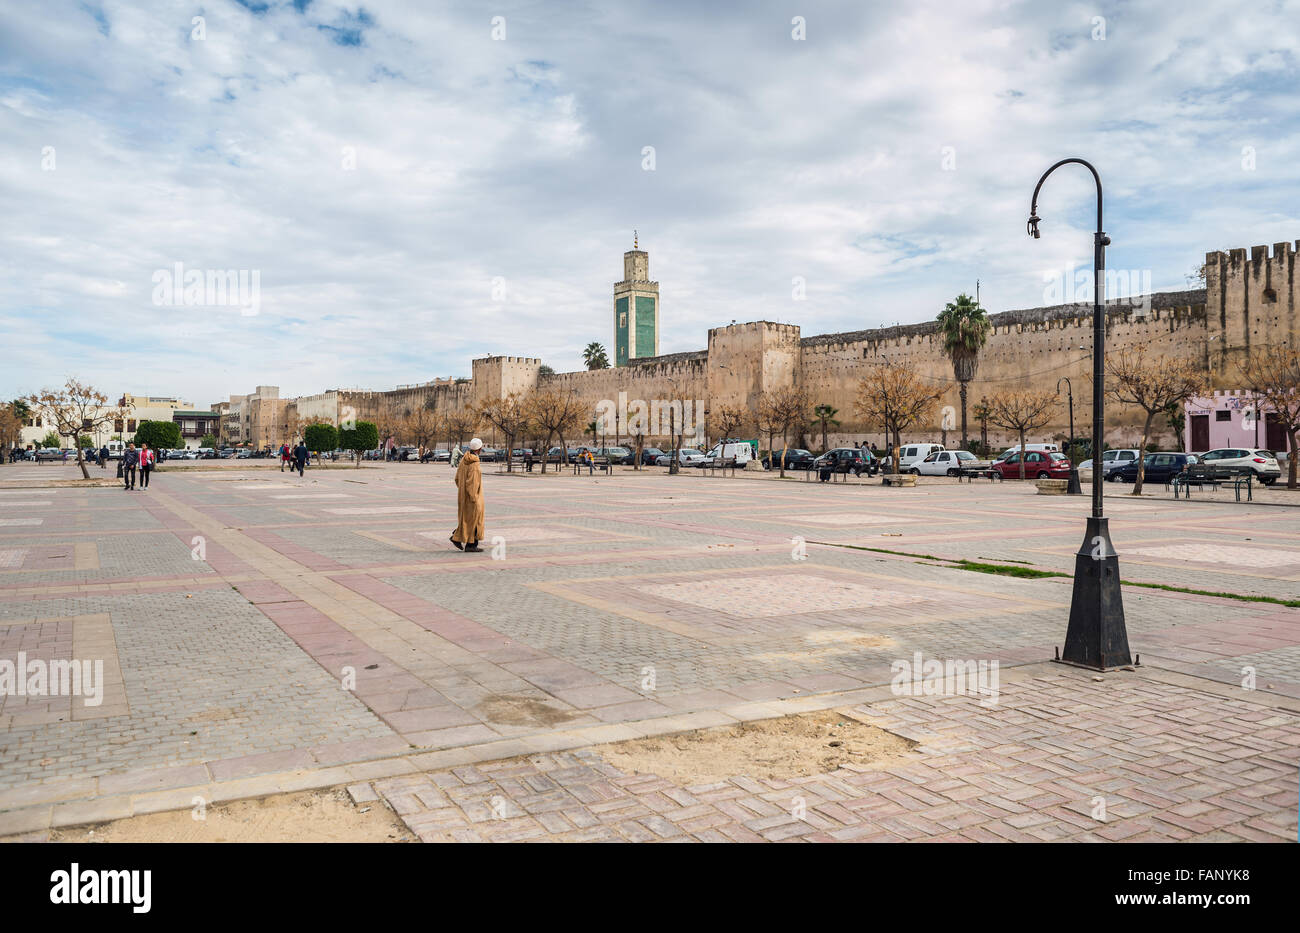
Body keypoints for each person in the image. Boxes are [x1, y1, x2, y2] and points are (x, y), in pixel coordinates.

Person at [450, 438, 485, 552]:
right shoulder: (474, 463)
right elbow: (472, 483)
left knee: (466, 519)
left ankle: (458, 537)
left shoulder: (464, 460)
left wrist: (462, 491)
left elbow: (457, 478)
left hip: (463, 496)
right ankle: (470, 545)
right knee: (475, 519)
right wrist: (474, 497)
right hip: (472, 497)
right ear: (479, 449)